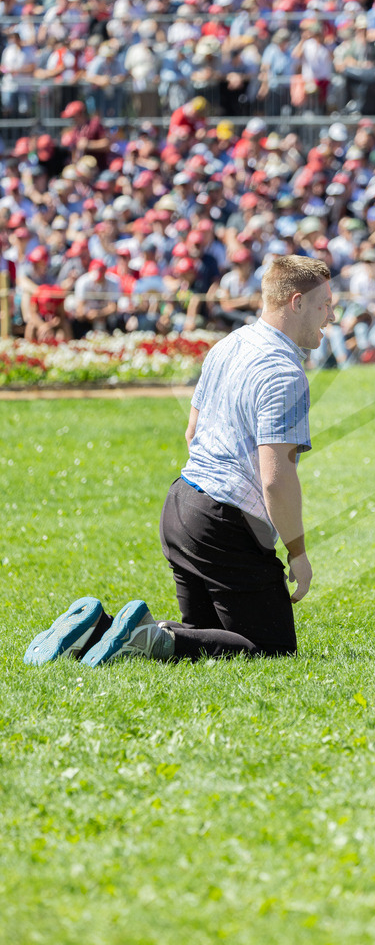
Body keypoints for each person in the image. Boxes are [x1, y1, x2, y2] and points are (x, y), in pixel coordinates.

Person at [24, 254, 334, 668]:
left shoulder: (231, 344)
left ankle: (96, 628)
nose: (331, 314)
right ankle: (140, 635)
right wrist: (297, 552)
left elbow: (192, 432)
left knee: (209, 640)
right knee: (270, 648)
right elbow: (275, 477)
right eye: (324, 304)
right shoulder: (284, 373)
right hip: (223, 523)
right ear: (296, 303)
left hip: (181, 506)